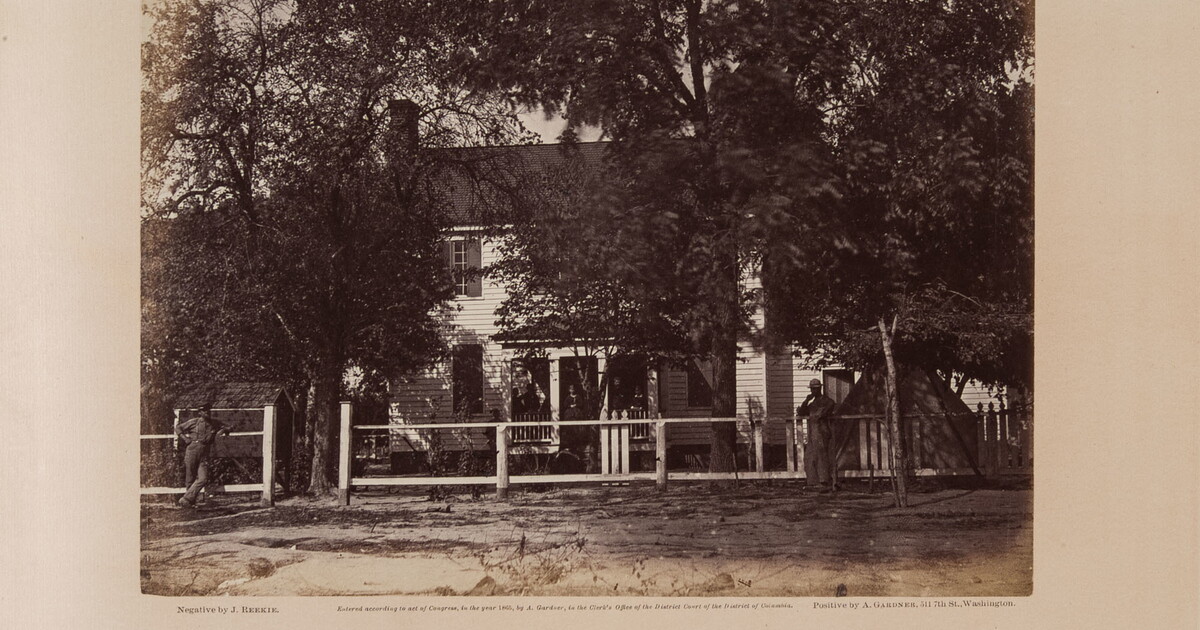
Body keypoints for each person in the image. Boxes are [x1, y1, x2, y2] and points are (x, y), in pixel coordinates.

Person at [174, 403, 230, 508]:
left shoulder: (214, 423)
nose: (207, 413)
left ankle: (186, 499)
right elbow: (178, 428)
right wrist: (185, 438)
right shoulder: (194, 422)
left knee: (203, 478)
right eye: (204, 411)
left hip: (205, 452)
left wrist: (224, 430)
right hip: (192, 450)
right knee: (190, 477)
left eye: (208, 411)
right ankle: (189, 503)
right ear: (200, 412)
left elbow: (228, 427)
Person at [799, 378, 838, 492]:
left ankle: (824, 481)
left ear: (820, 388)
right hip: (812, 433)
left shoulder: (827, 401)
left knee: (822, 456)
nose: (813, 391)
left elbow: (826, 412)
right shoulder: (812, 404)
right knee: (809, 457)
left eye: (815, 389)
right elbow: (801, 412)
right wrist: (806, 401)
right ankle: (812, 481)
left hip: (822, 431)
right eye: (812, 389)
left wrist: (820, 414)